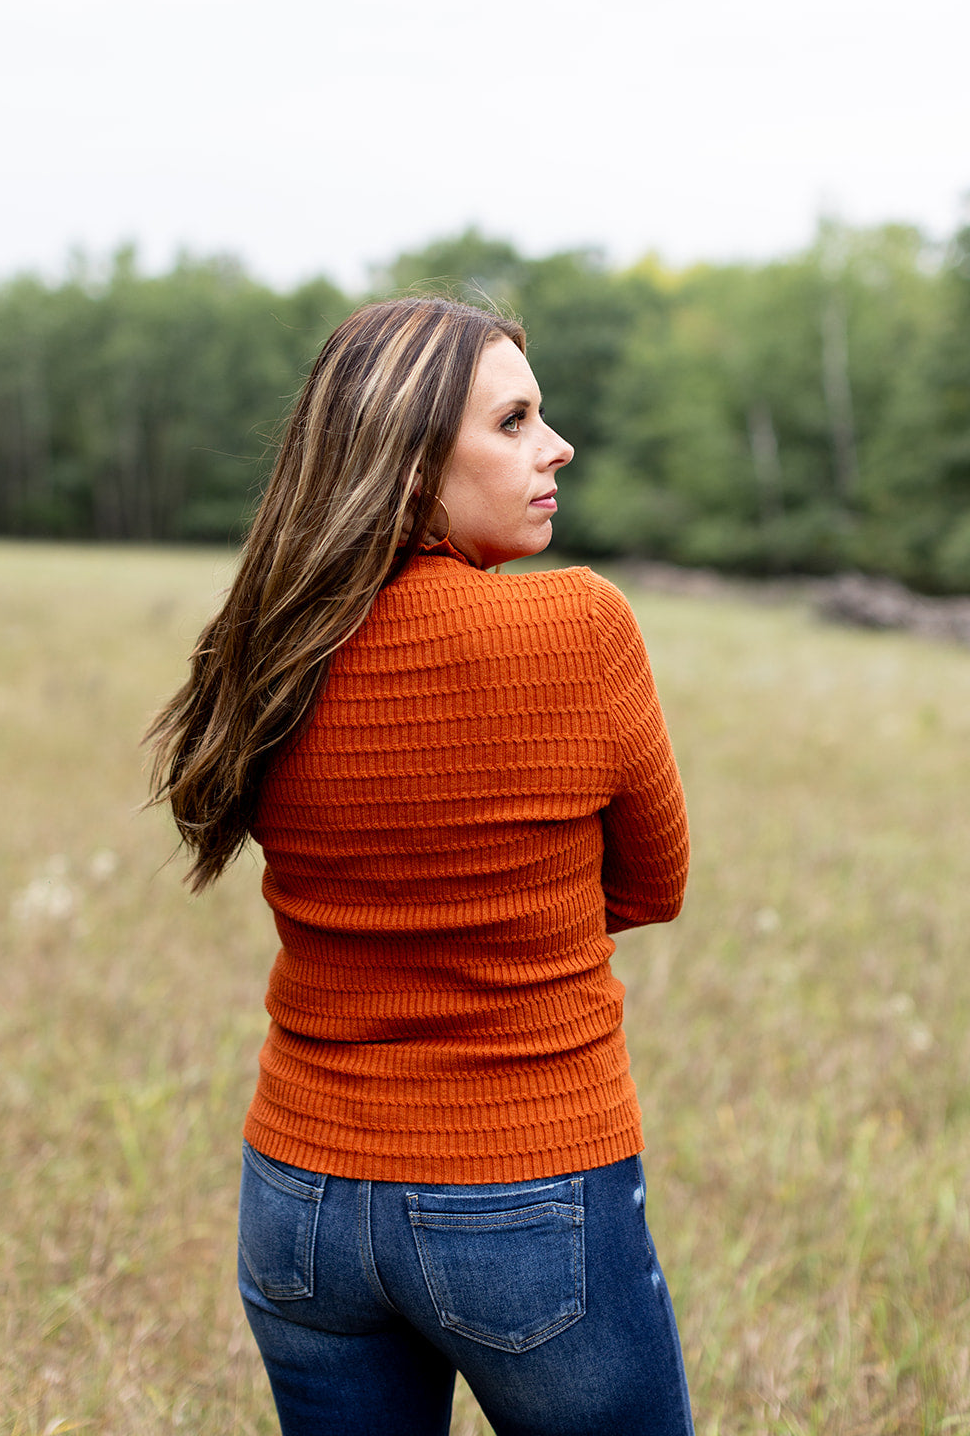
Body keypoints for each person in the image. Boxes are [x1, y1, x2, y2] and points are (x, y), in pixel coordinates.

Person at [148, 296, 695, 1436]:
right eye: (512, 422)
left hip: (298, 1199)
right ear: (407, 464)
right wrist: (511, 907)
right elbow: (650, 885)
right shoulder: (580, 626)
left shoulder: (273, 643)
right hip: (524, 1186)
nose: (556, 446)